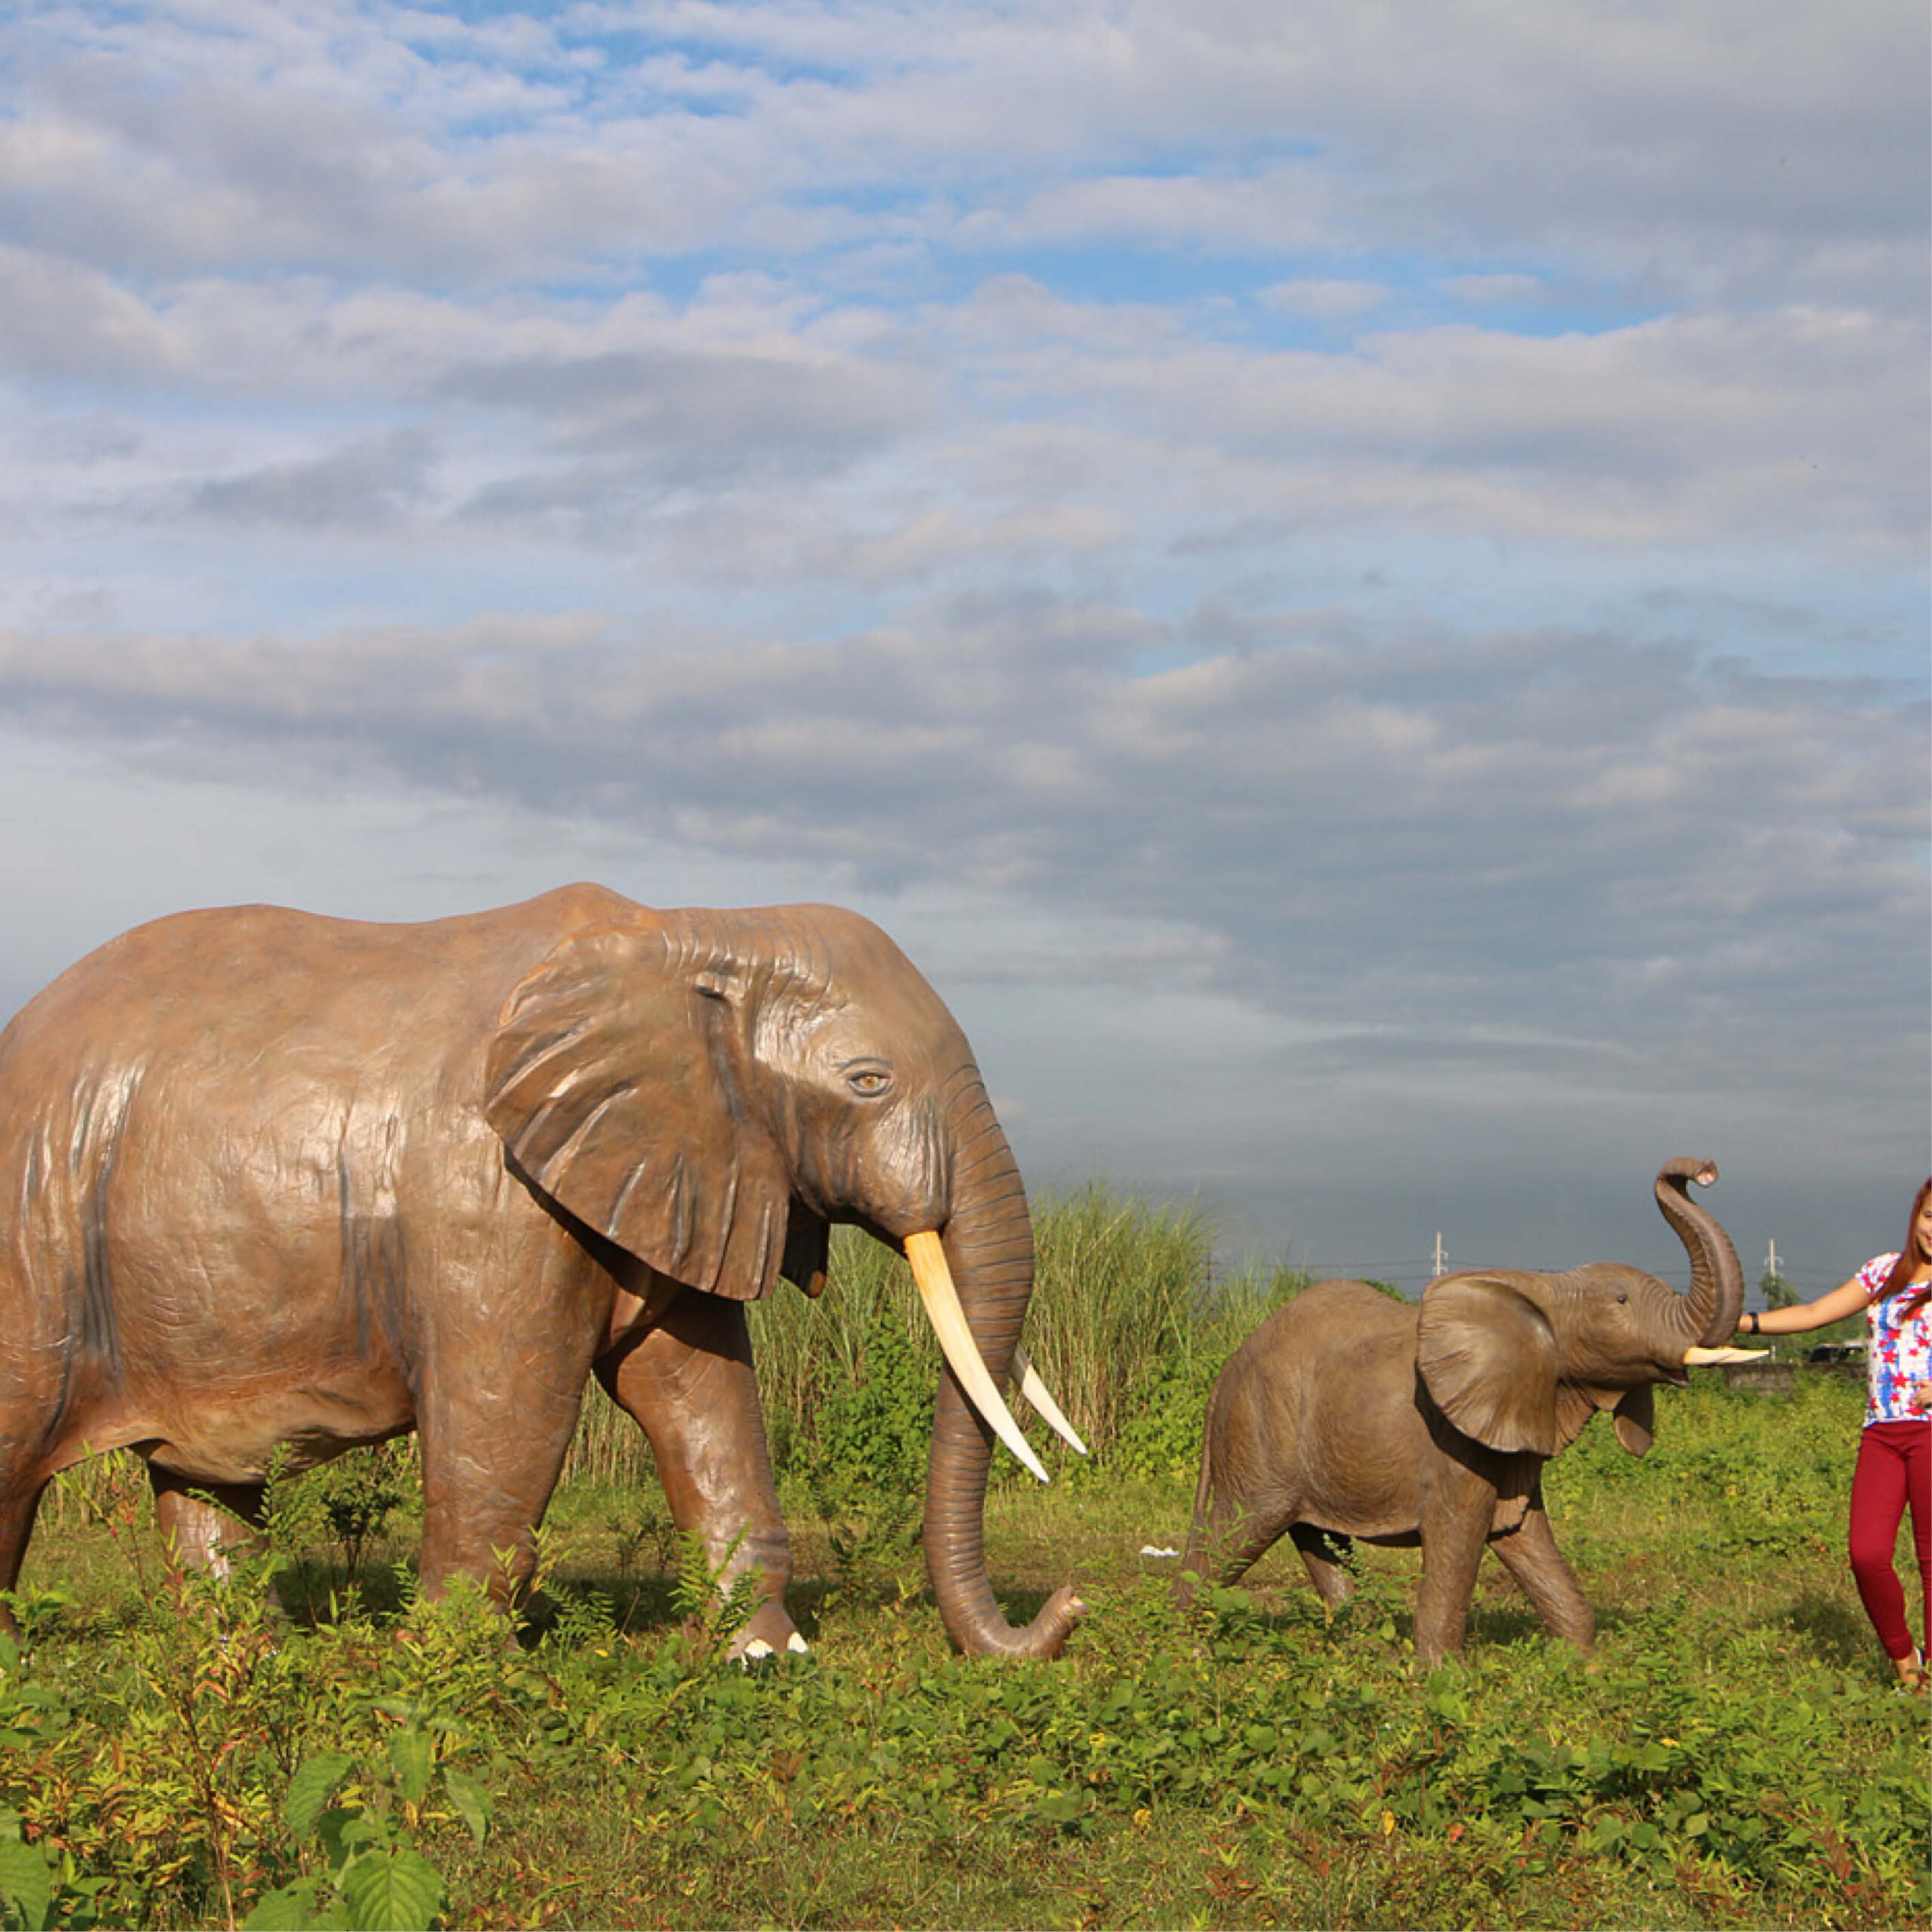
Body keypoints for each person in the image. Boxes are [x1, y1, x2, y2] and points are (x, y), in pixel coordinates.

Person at [1735, 1180, 1932, 1689]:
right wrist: (1743, 1322)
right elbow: (1813, 1313)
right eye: (1930, 1216)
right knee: (1867, 1554)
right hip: (1881, 1433)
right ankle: (1904, 1655)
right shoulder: (1884, 1271)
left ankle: (1925, 1682)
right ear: (1916, 1215)